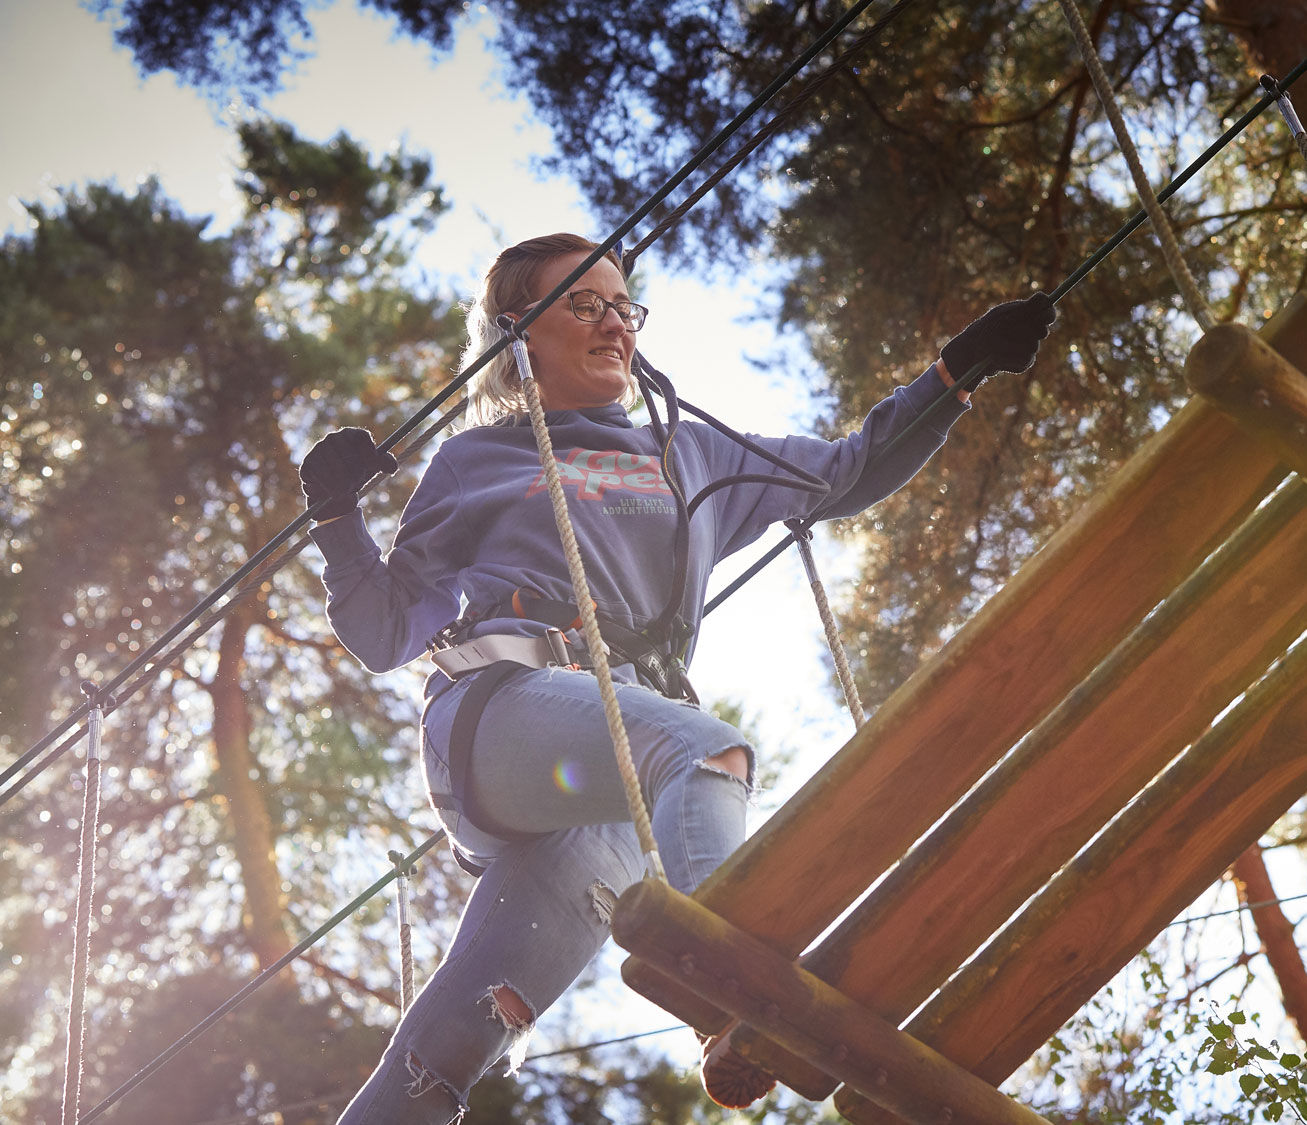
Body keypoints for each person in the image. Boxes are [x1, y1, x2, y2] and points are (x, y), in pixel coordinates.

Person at [300, 232, 1055, 1123]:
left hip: (619, 788)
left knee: (450, 1050)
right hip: (496, 718)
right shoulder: (476, 460)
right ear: (516, 331)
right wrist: (336, 519)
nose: (615, 324)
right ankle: (736, 999)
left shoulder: (691, 455)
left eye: (625, 307)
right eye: (585, 304)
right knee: (707, 753)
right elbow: (386, 629)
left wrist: (958, 373)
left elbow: (848, 470)